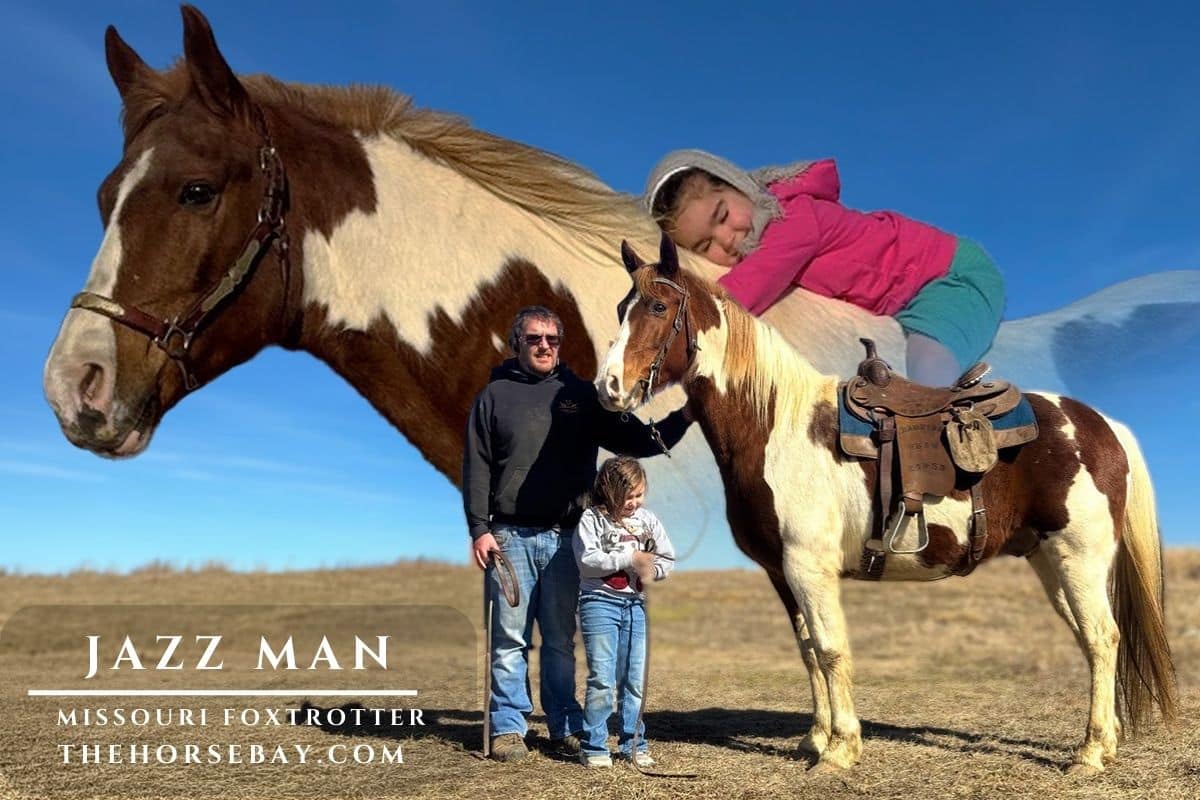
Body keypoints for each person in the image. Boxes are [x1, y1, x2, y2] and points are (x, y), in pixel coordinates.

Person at [463, 305, 692, 763]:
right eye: (534, 338)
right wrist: (480, 529)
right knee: (509, 639)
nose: (544, 345)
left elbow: (635, 439)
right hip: (509, 537)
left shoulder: (581, 396)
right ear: (518, 343)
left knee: (561, 639)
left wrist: (687, 416)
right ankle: (509, 728)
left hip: (569, 537)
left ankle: (564, 723)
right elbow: (477, 465)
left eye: (552, 338)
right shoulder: (494, 395)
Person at [643, 149, 1006, 387]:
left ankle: (946, 431)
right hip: (907, 301)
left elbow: (745, 290)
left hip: (950, 275)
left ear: (738, 185)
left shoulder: (795, 219)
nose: (727, 239)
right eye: (706, 246)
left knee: (927, 360)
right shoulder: (768, 238)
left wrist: (673, 320)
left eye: (722, 215)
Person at [572, 456, 674, 769]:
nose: (633, 503)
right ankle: (594, 746)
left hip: (636, 606)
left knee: (634, 679)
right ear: (610, 492)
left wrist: (652, 571)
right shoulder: (592, 519)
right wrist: (630, 556)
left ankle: (633, 743)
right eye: (628, 497)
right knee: (603, 678)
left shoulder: (649, 521)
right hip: (599, 603)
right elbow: (587, 560)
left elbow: (666, 558)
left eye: (639, 495)